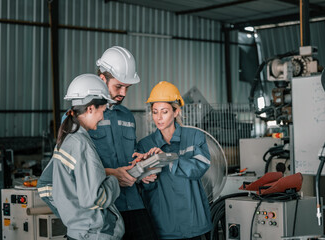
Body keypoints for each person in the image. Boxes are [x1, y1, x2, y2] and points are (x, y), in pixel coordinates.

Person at [37, 74, 124, 240]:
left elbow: (44, 185)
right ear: (90, 109)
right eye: (102, 111)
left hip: (76, 234)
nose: (103, 117)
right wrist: (114, 179)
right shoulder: (81, 144)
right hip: (94, 235)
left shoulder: (67, 139)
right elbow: (96, 198)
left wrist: (73, 217)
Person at [89, 46, 158, 239]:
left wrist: (142, 169)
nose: (123, 93)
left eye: (127, 87)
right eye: (118, 86)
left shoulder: (127, 115)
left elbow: (131, 154)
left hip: (133, 202)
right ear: (102, 79)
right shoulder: (81, 116)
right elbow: (73, 169)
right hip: (103, 206)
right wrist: (111, 174)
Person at [137, 81, 212, 240]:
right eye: (155, 112)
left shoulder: (194, 136)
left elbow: (200, 167)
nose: (158, 117)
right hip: (163, 221)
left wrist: (166, 159)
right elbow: (139, 181)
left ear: (176, 111)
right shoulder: (145, 145)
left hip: (193, 221)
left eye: (164, 111)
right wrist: (143, 177)